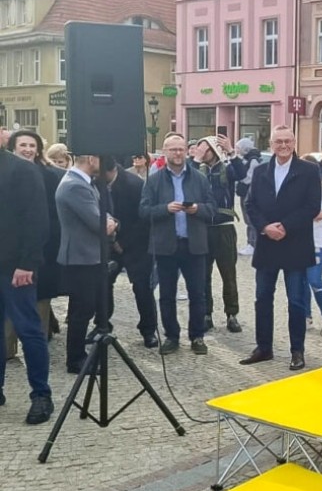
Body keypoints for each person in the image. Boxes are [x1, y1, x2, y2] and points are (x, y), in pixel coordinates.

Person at [239, 126, 321, 370]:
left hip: (295, 243)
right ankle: (263, 347)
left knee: (296, 300)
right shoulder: (261, 171)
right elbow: (250, 204)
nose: (283, 145)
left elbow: (312, 206)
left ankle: (297, 350)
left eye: (287, 141)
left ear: (294, 143)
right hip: (267, 244)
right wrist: (265, 227)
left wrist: (285, 226)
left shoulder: (309, 170)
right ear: (271, 144)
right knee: (262, 298)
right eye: (278, 141)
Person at [140, 134, 216, 356]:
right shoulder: (153, 180)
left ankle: (197, 336)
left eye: (181, 149)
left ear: (187, 151)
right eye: (173, 149)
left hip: (194, 245)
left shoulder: (200, 178)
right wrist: (165, 209)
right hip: (166, 246)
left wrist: (197, 209)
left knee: (198, 294)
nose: (177, 153)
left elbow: (212, 208)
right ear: (165, 152)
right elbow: (143, 212)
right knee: (167, 295)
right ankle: (171, 336)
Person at [0, 145, 54, 424]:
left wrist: (28, 263)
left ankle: (41, 395)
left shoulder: (22, 169)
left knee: (28, 330)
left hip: (15, 267)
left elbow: (37, 220)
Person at [56, 154, 119, 373]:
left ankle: (77, 356)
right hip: (81, 257)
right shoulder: (76, 186)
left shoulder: (82, 182)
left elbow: (104, 216)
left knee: (83, 309)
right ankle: (76, 359)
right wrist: (110, 223)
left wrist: (109, 222)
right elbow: (100, 223)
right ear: (91, 159)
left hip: (87, 256)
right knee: (81, 311)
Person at [6, 131, 64, 356]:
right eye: (23, 145)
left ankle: (37, 349)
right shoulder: (6, 172)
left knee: (40, 302)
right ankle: (8, 349)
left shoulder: (50, 176)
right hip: (9, 252)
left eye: (32, 145)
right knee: (9, 301)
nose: (28, 149)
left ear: (39, 149)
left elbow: (55, 215)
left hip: (43, 249)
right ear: (13, 147)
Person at [102, 156, 159, 348]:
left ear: (111, 171)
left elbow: (144, 220)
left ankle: (148, 330)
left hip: (137, 245)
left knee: (142, 288)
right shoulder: (97, 182)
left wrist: (123, 242)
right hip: (109, 243)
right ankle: (103, 324)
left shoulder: (134, 185)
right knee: (103, 284)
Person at [192, 135, 244, 333]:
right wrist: (196, 159)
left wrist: (231, 152)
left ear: (213, 150)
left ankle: (232, 314)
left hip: (224, 227)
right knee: (203, 274)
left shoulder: (226, 168)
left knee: (228, 274)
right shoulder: (196, 170)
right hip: (203, 227)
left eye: (204, 149)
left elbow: (242, 173)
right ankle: (206, 314)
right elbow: (185, 181)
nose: (201, 152)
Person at [301, 155, 322, 336]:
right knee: (301, 282)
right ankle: (306, 316)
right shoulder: (297, 188)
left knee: (314, 280)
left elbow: (321, 214)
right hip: (298, 240)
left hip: (316, 240)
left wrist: (298, 215)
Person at [235, 137, 262, 256]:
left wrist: (240, 180)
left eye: (238, 148)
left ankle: (252, 244)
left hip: (249, 193)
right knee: (248, 220)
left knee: (250, 219)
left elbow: (250, 177)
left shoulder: (253, 160)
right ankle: (251, 244)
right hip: (246, 192)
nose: (237, 150)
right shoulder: (247, 159)